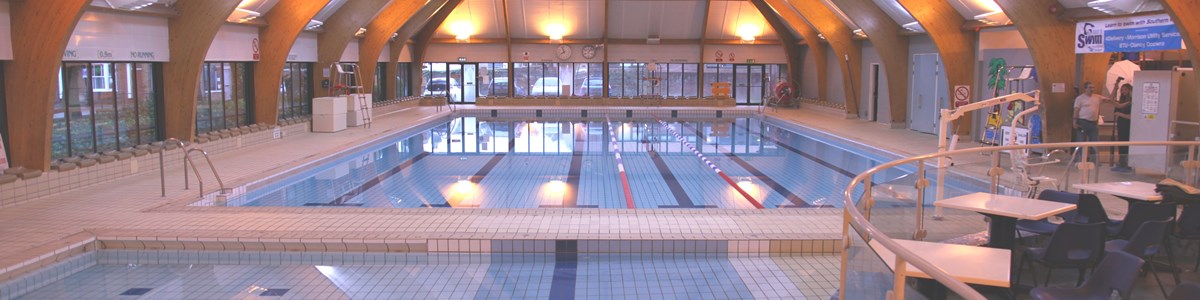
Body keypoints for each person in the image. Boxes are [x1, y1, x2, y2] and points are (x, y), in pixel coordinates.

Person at [1073, 82, 1110, 162]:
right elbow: (1076, 110)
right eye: (1090, 87)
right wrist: (1075, 122)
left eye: (1093, 87)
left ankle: (1095, 160)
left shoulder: (1097, 97)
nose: (1092, 89)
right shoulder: (1080, 98)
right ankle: (1081, 160)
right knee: (1081, 141)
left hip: (1093, 123)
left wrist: (1116, 87)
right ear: (1085, 89)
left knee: (1094, 142)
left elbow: (1109, 99)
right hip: (1083, 121)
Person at [1108, 82, 1134, 172]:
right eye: (1122, 90)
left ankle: (1126, 163)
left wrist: (1120, 114)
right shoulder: (1122, 100)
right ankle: (1122, 162)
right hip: (1121, 124)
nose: (1123, 92)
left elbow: (1131, 116)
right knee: (1121, 144)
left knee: (1125, 144)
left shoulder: (1131, 101)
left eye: (1125, 89)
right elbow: (1110, 100)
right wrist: (1115, 88)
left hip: (1127, 125)